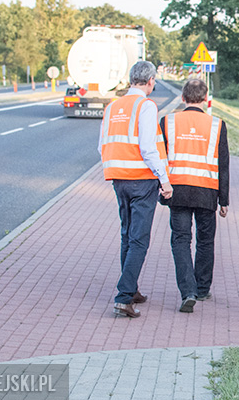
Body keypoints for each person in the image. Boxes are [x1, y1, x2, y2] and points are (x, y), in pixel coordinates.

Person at [98, 61, 173, 318]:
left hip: (118, 179)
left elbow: (101, 145)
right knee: (139, 239)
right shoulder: (146, 106)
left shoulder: (112, 107)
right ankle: (123, 296)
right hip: (141, 179)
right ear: (150, 81)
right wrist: (164, 180)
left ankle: (132, 290)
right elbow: (148, 148)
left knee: (127, 235)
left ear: (131, 80)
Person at [160, 79, 229, 313]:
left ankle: (187, 291)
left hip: (177, 190)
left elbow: (160, 157)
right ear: (206, 98)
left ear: (183, 97)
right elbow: (223, 165)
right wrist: (224, 200)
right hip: (206, 191)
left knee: (180, 240)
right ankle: (201, 288)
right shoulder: (217, 125)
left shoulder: (168, 122)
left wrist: (161, 187)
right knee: (205, 240)